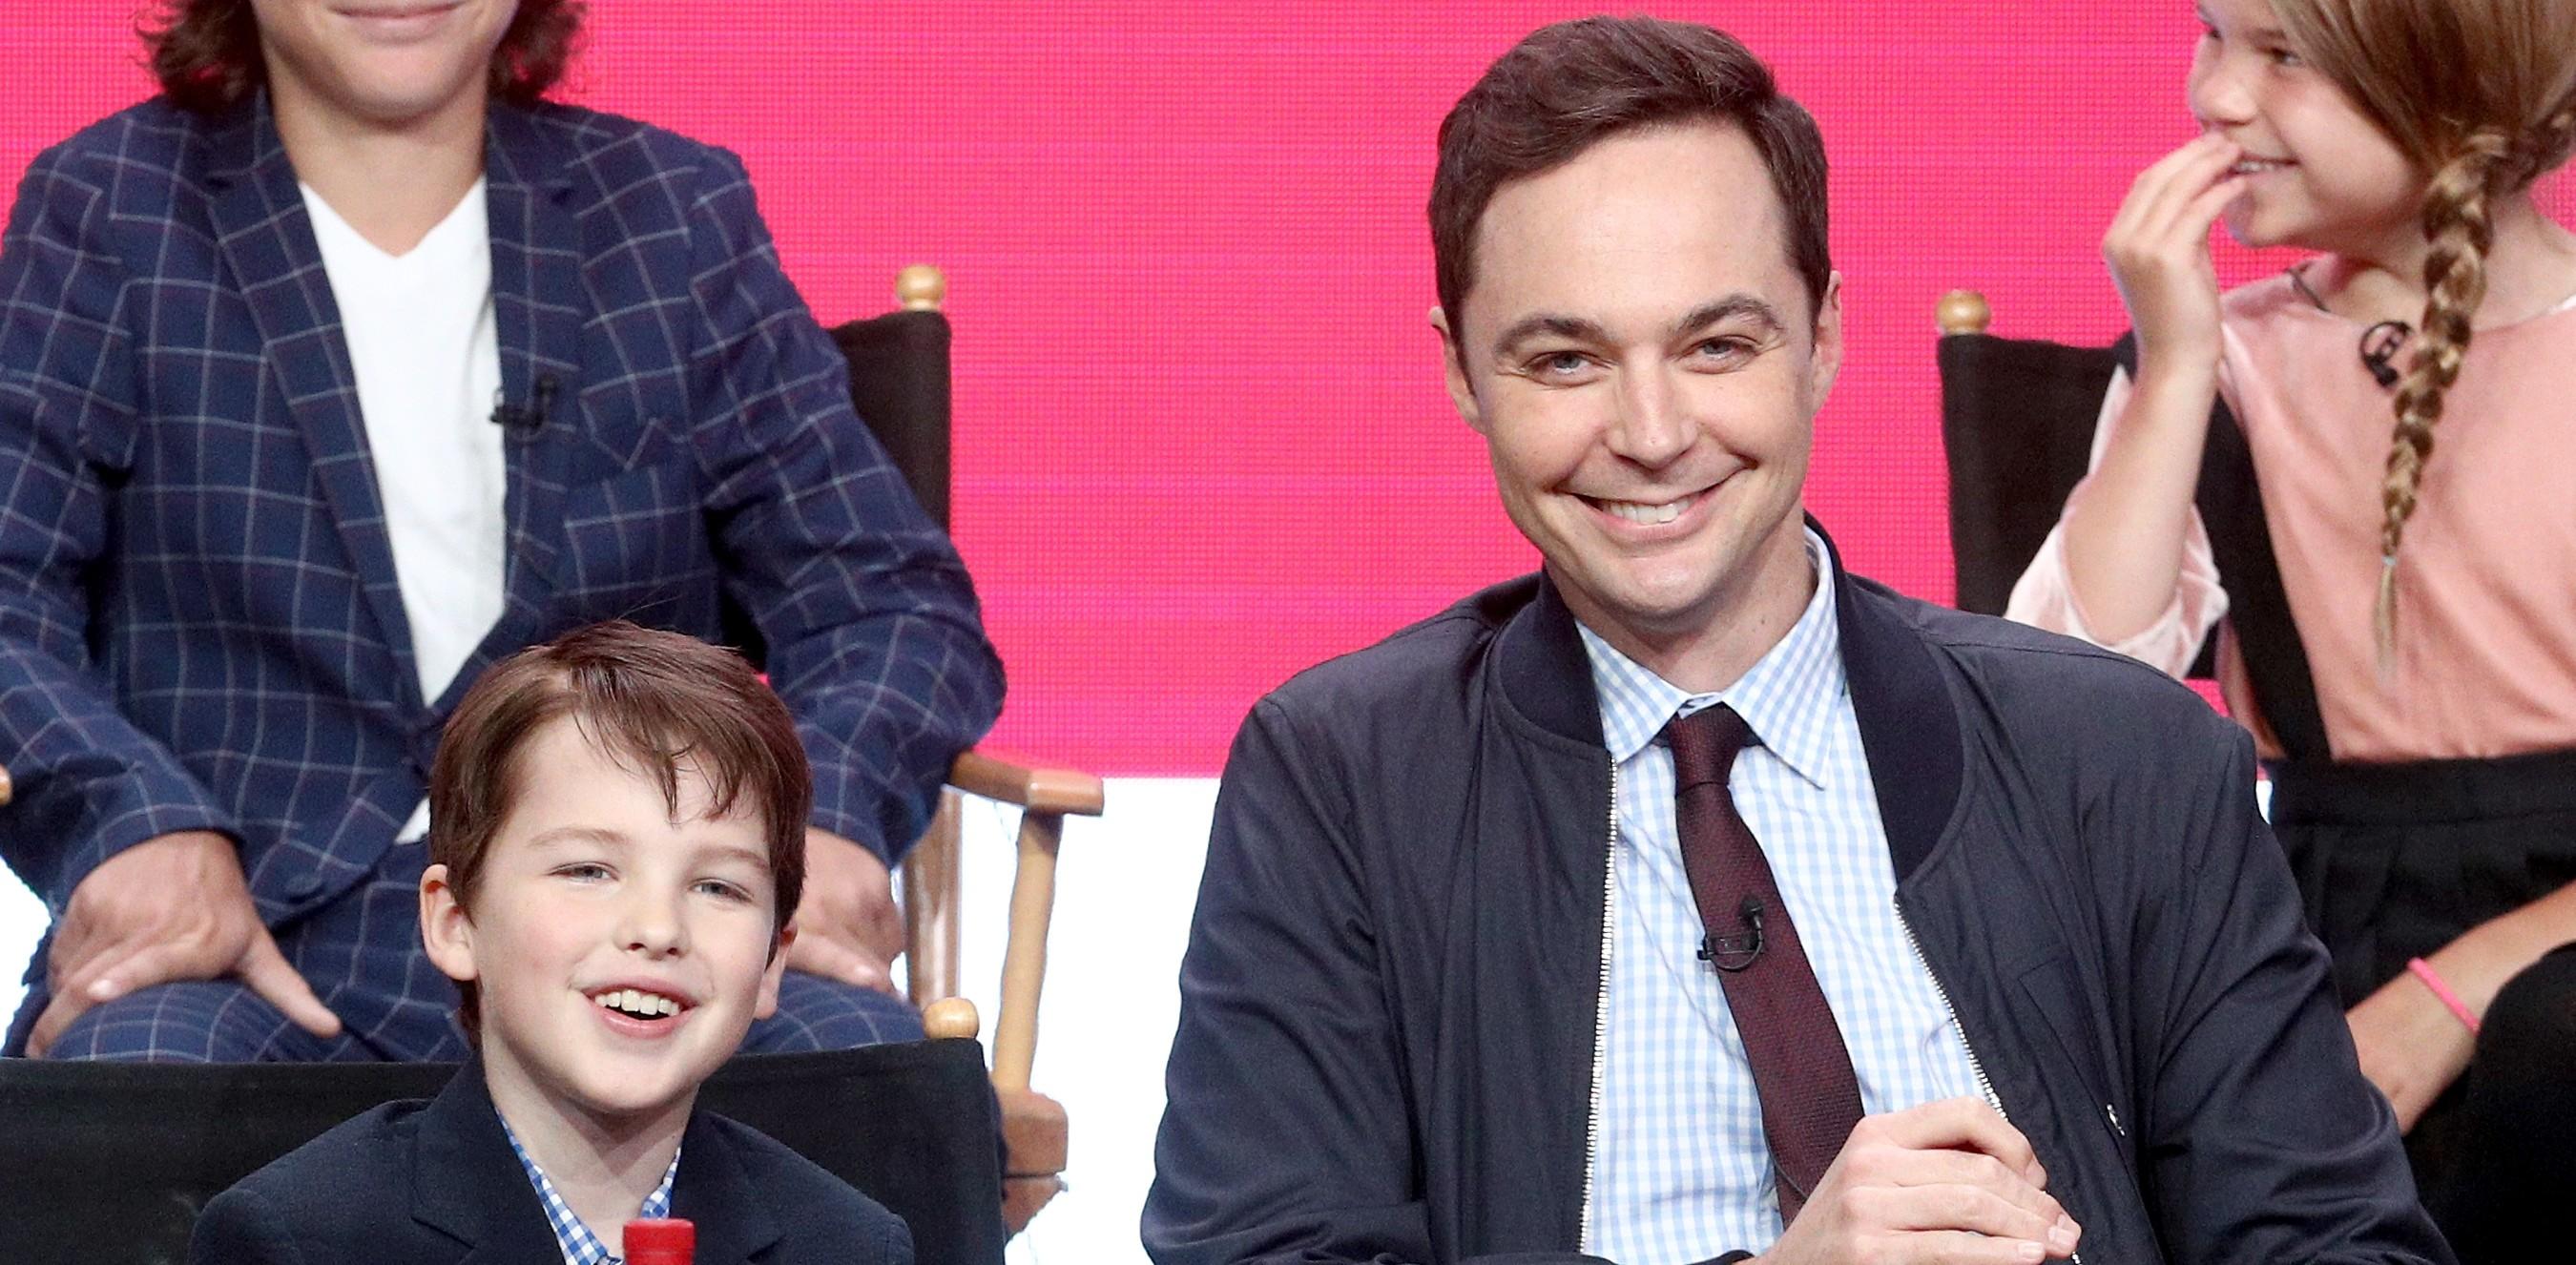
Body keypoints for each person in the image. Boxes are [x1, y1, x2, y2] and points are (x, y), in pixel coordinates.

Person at [1145, 16, 2448, 1265]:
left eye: (1717, 344)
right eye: (1564, 361)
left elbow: (2333, 1239)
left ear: (1823, 337)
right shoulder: (1342, 779)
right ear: (1460, 374)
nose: (1653, 430)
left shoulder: (2128, 757)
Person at [0, 0, 1004, 1062]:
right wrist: (130, 824)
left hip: (640, 926)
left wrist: (820, 822)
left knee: (864, 1081)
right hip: (257, 934)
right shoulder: (107, 212)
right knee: (135, 1082)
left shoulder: (671, 215)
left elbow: (891, 607)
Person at [2004, 0, 2576, 1255]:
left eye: (2283, 55)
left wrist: (2454, 993)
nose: (2213, 95)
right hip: (2313, 920)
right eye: (2213, 35)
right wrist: (2179, 364)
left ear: (2453, 81)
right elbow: (2060, 717)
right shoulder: (2227, 371)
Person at [187, 621, 914, 1263]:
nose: (657, 930)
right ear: (454, 921)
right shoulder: (300, 1241)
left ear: (772, 961)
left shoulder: (850, 1244)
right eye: (588, 870)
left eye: (718, 887)